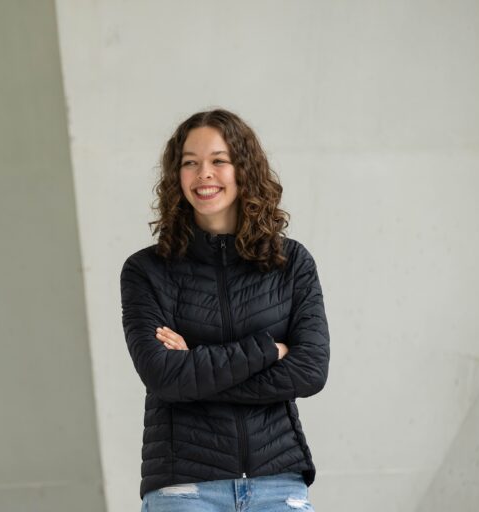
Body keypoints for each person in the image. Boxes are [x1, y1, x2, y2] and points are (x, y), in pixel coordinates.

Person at [120, 108, 330, 511]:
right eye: (190, 163)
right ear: (175, 176)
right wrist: (268, 351)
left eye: (219, 160)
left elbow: (310, 370)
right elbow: (162, 375)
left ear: (244, 169)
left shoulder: (291, 263)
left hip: (277, 482)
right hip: (184, 488)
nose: (204, 174)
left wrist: (195, 369)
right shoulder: (146, 271)